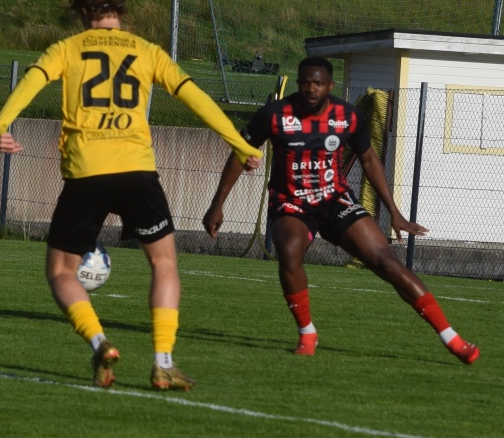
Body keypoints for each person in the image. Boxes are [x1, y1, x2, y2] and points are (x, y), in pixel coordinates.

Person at [0, 0, 263, 391]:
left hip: (87, 172)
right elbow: (197, 99)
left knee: (61, 271)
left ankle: (99, 342)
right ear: (121, 8)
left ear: (82, 10)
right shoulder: (147, 51)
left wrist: (1, 126)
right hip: (138, 170)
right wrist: (241, 146)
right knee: (164, 263)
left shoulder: (66, 49)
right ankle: (163, 361)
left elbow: (30, 84)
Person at [203, 57, 480, 364]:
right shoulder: (275, 114)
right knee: (290, 253)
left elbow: (369, 160)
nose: (311, 88)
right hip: (291, 201)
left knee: (386, 261)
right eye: (305, 82)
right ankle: (307, 333)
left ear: (330, 86)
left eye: (318, 83)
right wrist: (217, 205)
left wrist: (394, 211)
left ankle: (452, 338)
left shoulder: (347, 116)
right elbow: (239, 153)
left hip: (334, 199)